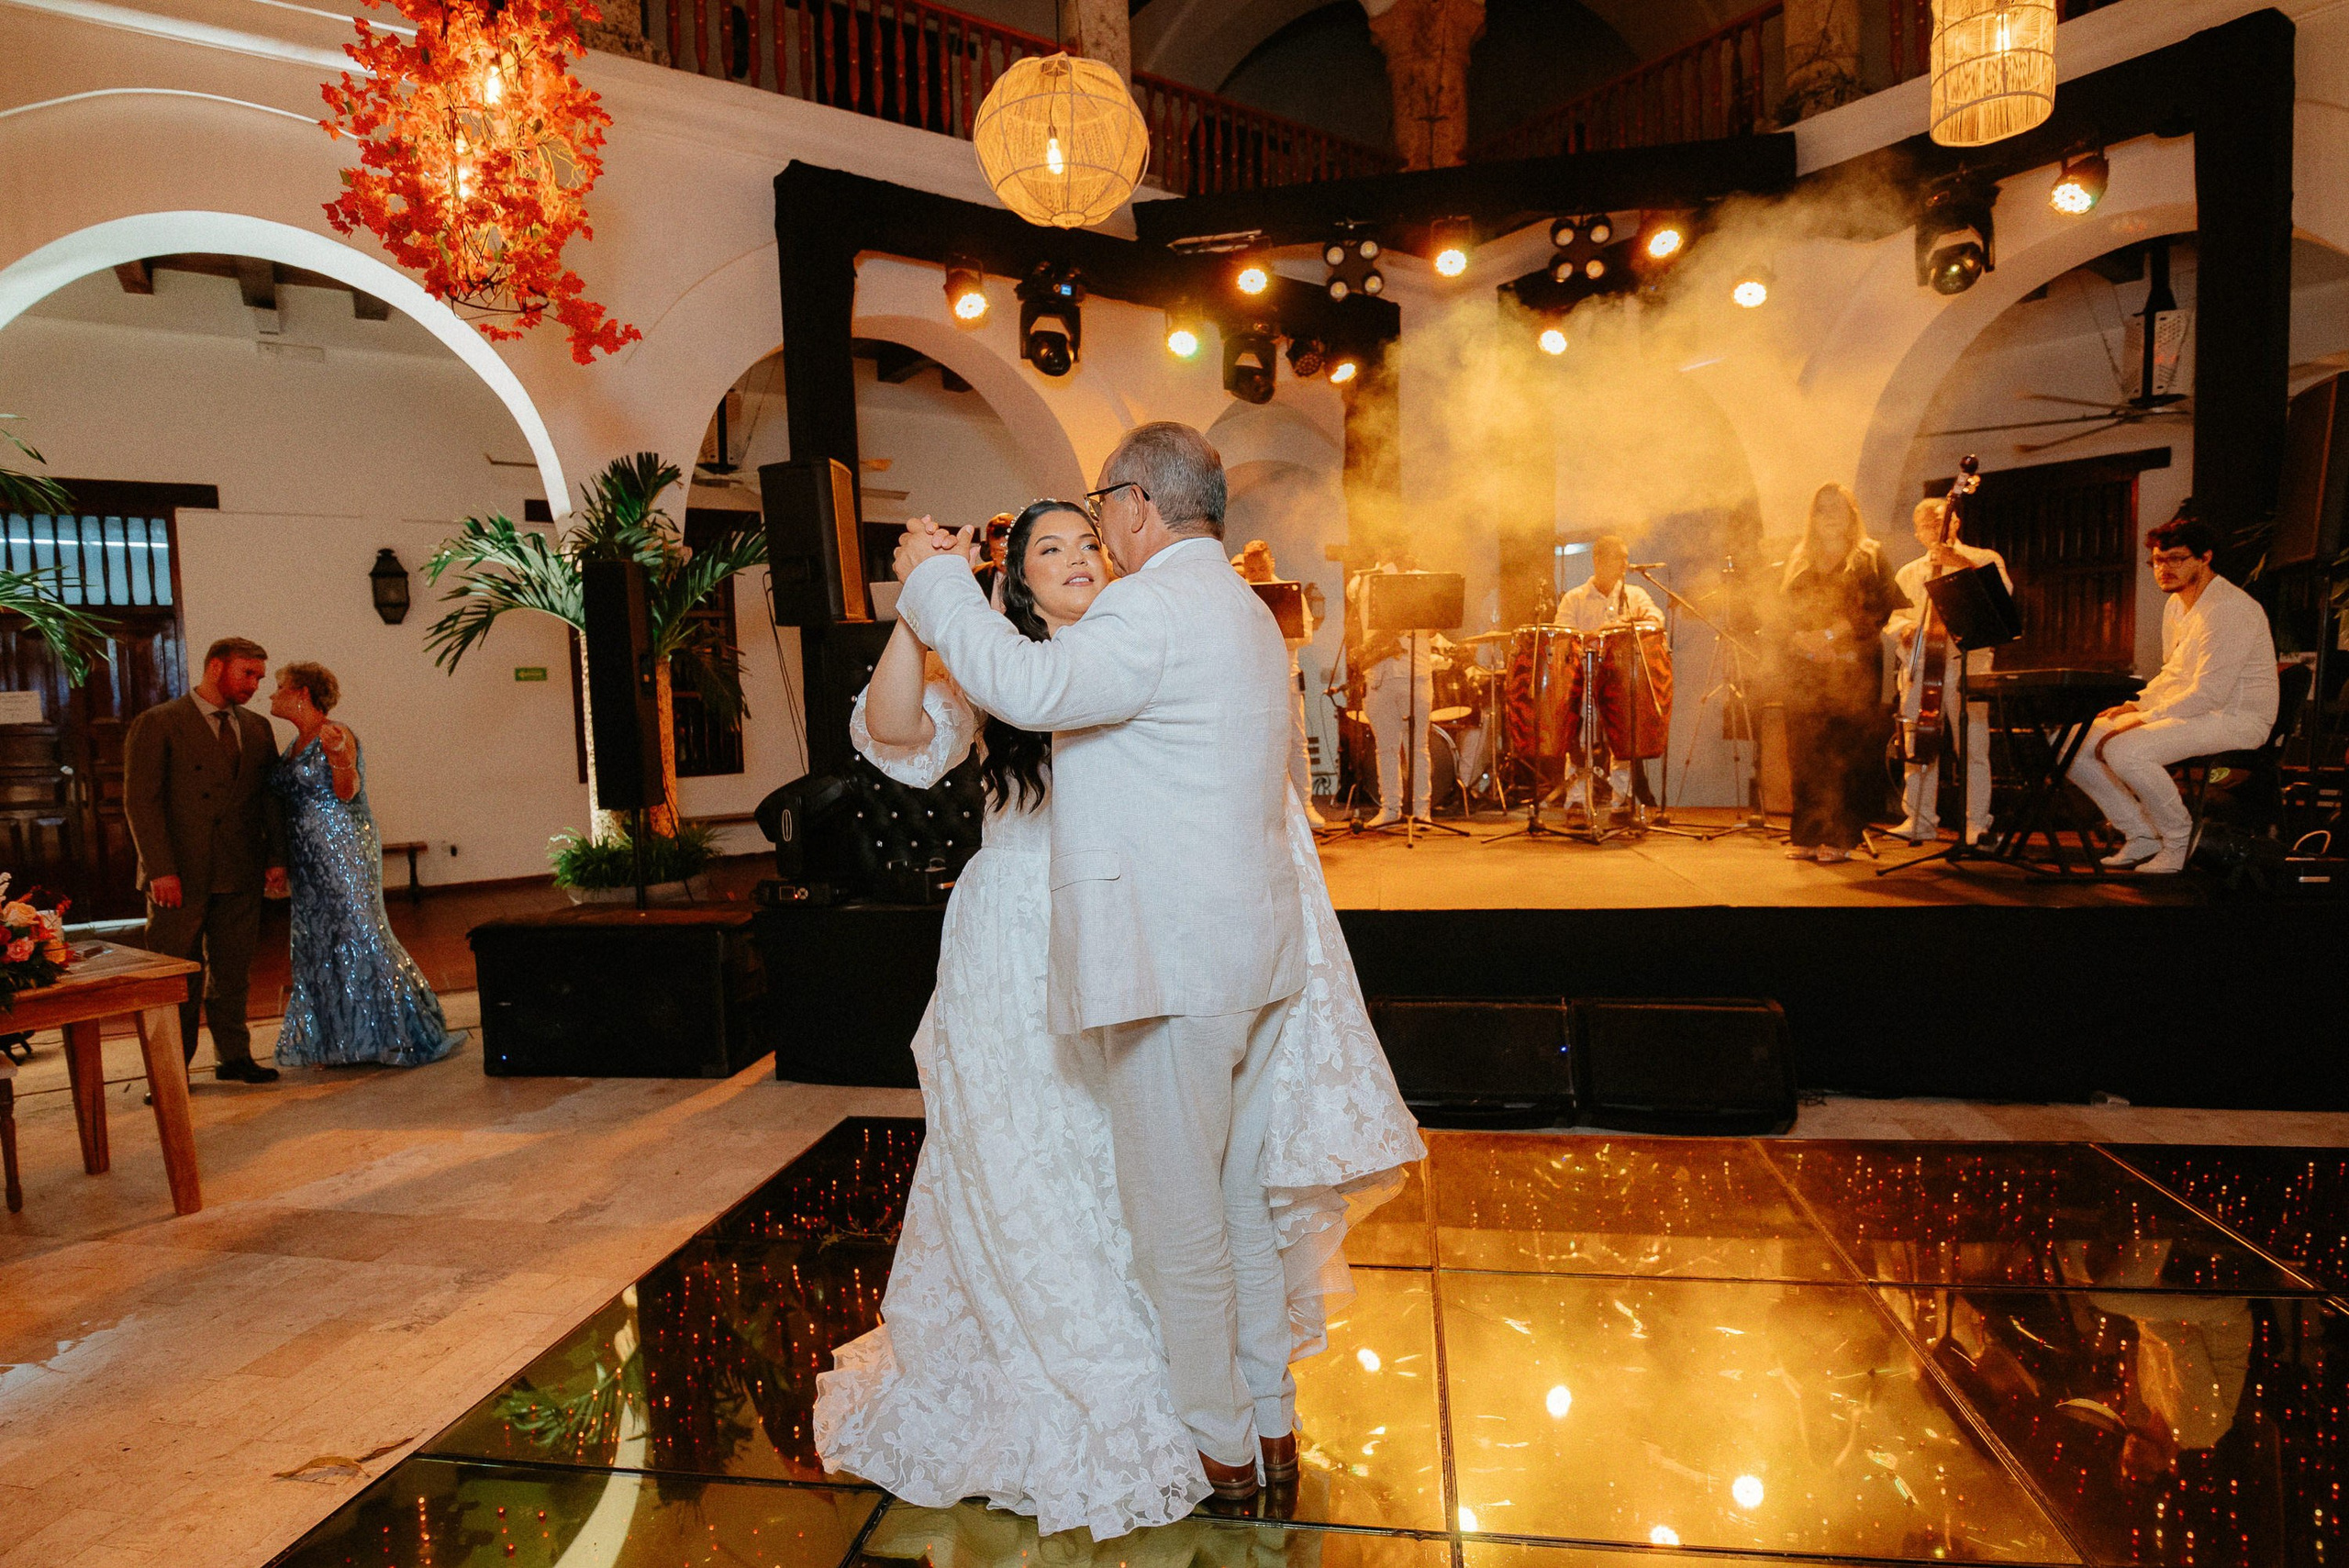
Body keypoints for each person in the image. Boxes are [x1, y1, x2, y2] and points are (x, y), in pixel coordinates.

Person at [816, 496, 1419, 1533]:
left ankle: (1183, 1390)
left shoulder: (1140, 644)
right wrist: (921, 615)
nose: (1077, 557)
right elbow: (895, 735)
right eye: (1047, 547)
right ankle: (1101, 1376)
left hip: (1138, 944)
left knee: (1138, 1173)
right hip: (1012, 950)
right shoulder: (995, 665)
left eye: (1087, 540)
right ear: (1016, 580)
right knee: (1024, 1165)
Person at [264, 662, 464, 1068]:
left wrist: (340, 758)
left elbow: (348, 790)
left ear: (302, 693)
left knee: (361, 932)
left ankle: (399, 1033)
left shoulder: (337, 733)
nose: (272, 695)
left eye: (279, 687)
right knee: (318, 940)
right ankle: (339, 1042)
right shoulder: (294, 744)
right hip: (306, 854)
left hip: (342, 847)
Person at [2069, 508, 2278, 873]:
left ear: (2205, 557)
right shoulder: (2176, 605)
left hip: (2237, 718)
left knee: (2126, 750)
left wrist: (2141, 720)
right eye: (2157, 561)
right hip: (2199, 709)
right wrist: (2135, 705)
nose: (2164, 569)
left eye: (2176, 559)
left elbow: (2210, 693)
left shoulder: (2229, 609)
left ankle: (2181, 842)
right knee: (2072, 743)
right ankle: (2141, 834)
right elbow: (2174, 674)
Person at [122, 636, 289, 1084]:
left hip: (240, 869)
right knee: (176, 976)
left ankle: (234, 1057)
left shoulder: (256, 728)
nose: (255, 685)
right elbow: (142, 802)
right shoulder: (158, 722)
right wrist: (160, 869)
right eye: (247, 673)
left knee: (233, 971)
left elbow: (268, 799)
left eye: (259, 676)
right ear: (216, 668)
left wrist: (276, 855)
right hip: (179, 873)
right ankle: (170, 1072)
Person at [1776, 484, 1903, 863]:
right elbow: (1780, 612)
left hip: (1851, 665)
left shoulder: (1870, 555)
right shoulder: (1798, 557)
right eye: (1822, 509)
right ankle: (1807, 832)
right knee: (1804, 750)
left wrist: (1830, 636)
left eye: (1838, 509)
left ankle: (1841, 835)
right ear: (1812, 516)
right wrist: (1801, 640)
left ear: (1852, 514)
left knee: (1845, 751)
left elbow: (1879, 608)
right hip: (1804, 664)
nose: (1830, 516)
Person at [1887, 496, 2011, 846]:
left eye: (1940, 521)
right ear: (1917, 533)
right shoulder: (1908, 572)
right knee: (1918, 741)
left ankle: (1976, 823)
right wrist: (1904, 629)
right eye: (1926, 524)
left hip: (1966, 661)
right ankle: (1919, 819)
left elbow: (2002, 599)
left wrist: (1958, 561)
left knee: (1972, 745)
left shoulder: (1985, 559)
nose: (1934, 528)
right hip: (1922, 664)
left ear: (1955, 522)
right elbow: (1894, 615)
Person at [1552, 535, 1662, 818]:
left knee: (1621, 740)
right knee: (1581, 739)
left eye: (1626, 557)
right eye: (1619, 558)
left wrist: (1630, 622)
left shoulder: (1633, 595)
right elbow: (1560, 637)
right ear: (1598, 560)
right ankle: (1576, 801)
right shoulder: (1574, 598)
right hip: (1583, 677)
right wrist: (1590, 636)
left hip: (1620, 679)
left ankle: (1621, 801)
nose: (1625, 564)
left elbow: (1656, 619)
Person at [1346, 548, 1441, 826]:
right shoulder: (1362, 581)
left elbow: (1434, 627)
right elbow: (1356, 603)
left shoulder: (1422, 578)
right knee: (1385, 747)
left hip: (1415, 671)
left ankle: (1422, 810)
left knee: (1418, 746)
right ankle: (1390, 809)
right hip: (1378, 672)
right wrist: (1385, 568)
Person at [1233, 539, 1325, 828]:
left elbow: (1306, 634)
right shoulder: (1237, 592)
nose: (1258, 572)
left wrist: (1274, 632)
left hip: (1285, 675)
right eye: (1252, 568)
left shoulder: (1289, 591)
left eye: (1262, 566)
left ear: (1272, 562)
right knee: (1254, 742)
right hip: (1248, 678)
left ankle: (1306, 806)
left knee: (1295, 741)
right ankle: (1261, 811)